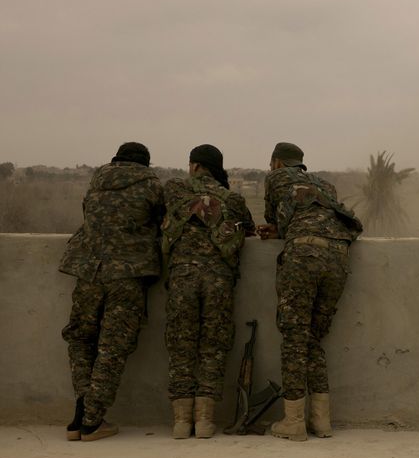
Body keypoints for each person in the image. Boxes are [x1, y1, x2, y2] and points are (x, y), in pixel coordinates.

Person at [59, 142, 165, 441]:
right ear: (145, 163)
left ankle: (80, 411)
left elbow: (87, 218)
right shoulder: (152, 185)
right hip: (127, 275)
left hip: (88, 272)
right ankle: (92, 420)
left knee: (81, 338)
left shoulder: (97, 181)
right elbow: (160, 223)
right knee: (113, 346)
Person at [257, 142, 362, 441]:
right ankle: (321, 421)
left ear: (277, 163)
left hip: (303, 254)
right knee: (314, 338)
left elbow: (273, 218)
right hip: (338, 256)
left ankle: (293, 422)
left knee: (294, 338)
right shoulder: (325, 185)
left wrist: (279, 230)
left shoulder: (276, 179)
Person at [161, 145, 254, 439]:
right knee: (214, 345)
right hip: (218, 279)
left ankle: (180, 422)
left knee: (181, 345)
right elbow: (248, 229)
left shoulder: (175, 190)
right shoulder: (233, 199)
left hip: (181, 278)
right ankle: (203, 421)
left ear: (194, 166)